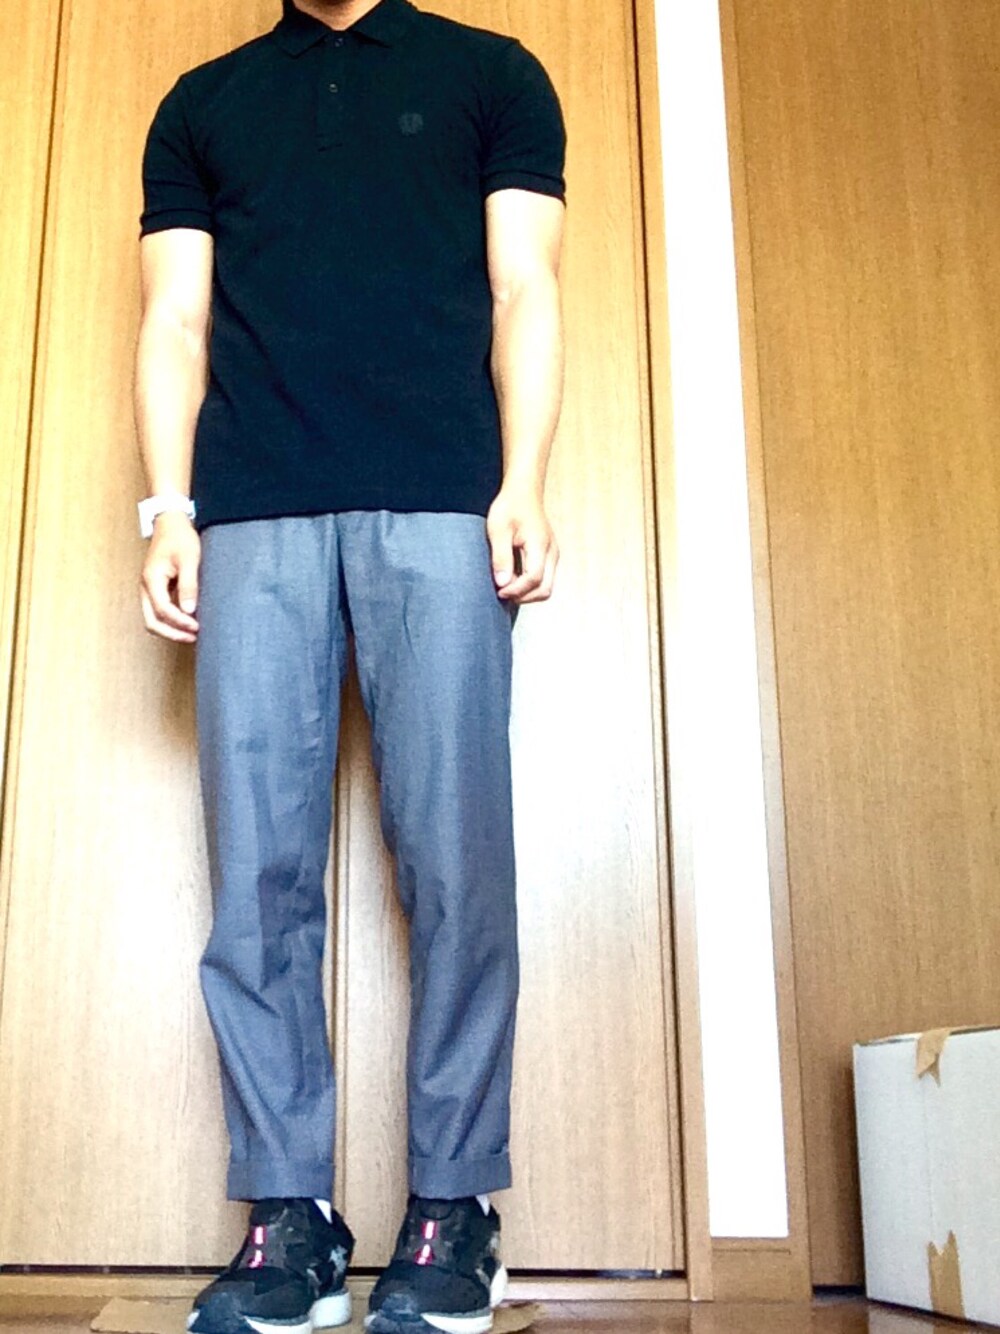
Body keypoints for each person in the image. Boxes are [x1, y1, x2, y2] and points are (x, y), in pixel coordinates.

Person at [133, 0, 566, 1330]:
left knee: (455, 861)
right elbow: (174, 320)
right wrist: (167, 509)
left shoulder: (493, 76)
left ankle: (455, 1206)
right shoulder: (202, 104)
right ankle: (290, 1217)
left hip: (439, 501)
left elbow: (525, 286)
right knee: (256, 873)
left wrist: (523, 481)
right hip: (252, 511)